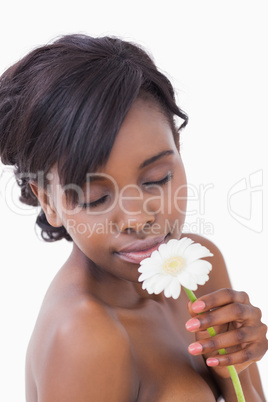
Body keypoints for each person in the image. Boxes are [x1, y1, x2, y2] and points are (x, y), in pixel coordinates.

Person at [0, 34, 267, 402]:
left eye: (157, 178)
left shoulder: (199, 264)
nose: (139, 218)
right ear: (49, 202)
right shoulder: (84, 334)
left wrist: (235, 373)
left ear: (177, 146)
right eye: (96, 197)